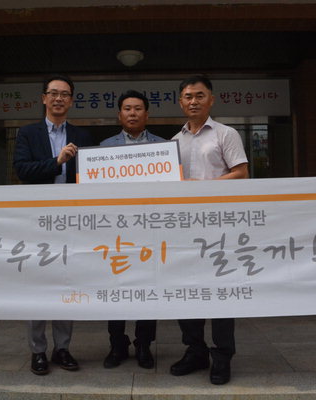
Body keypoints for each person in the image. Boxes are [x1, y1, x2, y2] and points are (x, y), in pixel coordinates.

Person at [169, 75, 248, 385]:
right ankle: (196, 350)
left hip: (219, 227)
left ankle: (222, 356)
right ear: (180, 102)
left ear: (211, 100)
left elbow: (241, 174)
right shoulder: (173, 142)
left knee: (220, 291)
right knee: (186, 290)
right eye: (188, 96)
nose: (194, 101)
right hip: (183, 228)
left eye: (200, 96)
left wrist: (201, 188)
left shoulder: (226, 134)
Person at [13, 74, 93, 375]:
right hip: (37, 220)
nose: (59, 98)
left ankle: (62, 348)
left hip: (71, 221)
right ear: (44, 98)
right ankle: (37, 351)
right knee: (37, 284)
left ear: (71, 101)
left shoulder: (82, 136)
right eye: (54, 93)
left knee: (65, 282)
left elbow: (91, 177)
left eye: (65, 94)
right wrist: (56, 162)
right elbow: (22, 170)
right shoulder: (27, 133)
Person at [99, 90, 164, 369]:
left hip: (150, 231)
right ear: (119, 115)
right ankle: (117, 344)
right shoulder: (104, 147)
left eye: (138, 108)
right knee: (116, 289)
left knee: (148, 289)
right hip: (116, 231)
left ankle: (144, 344)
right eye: (127, 108)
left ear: (147, 114)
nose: (133, 113)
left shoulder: (163, 147)